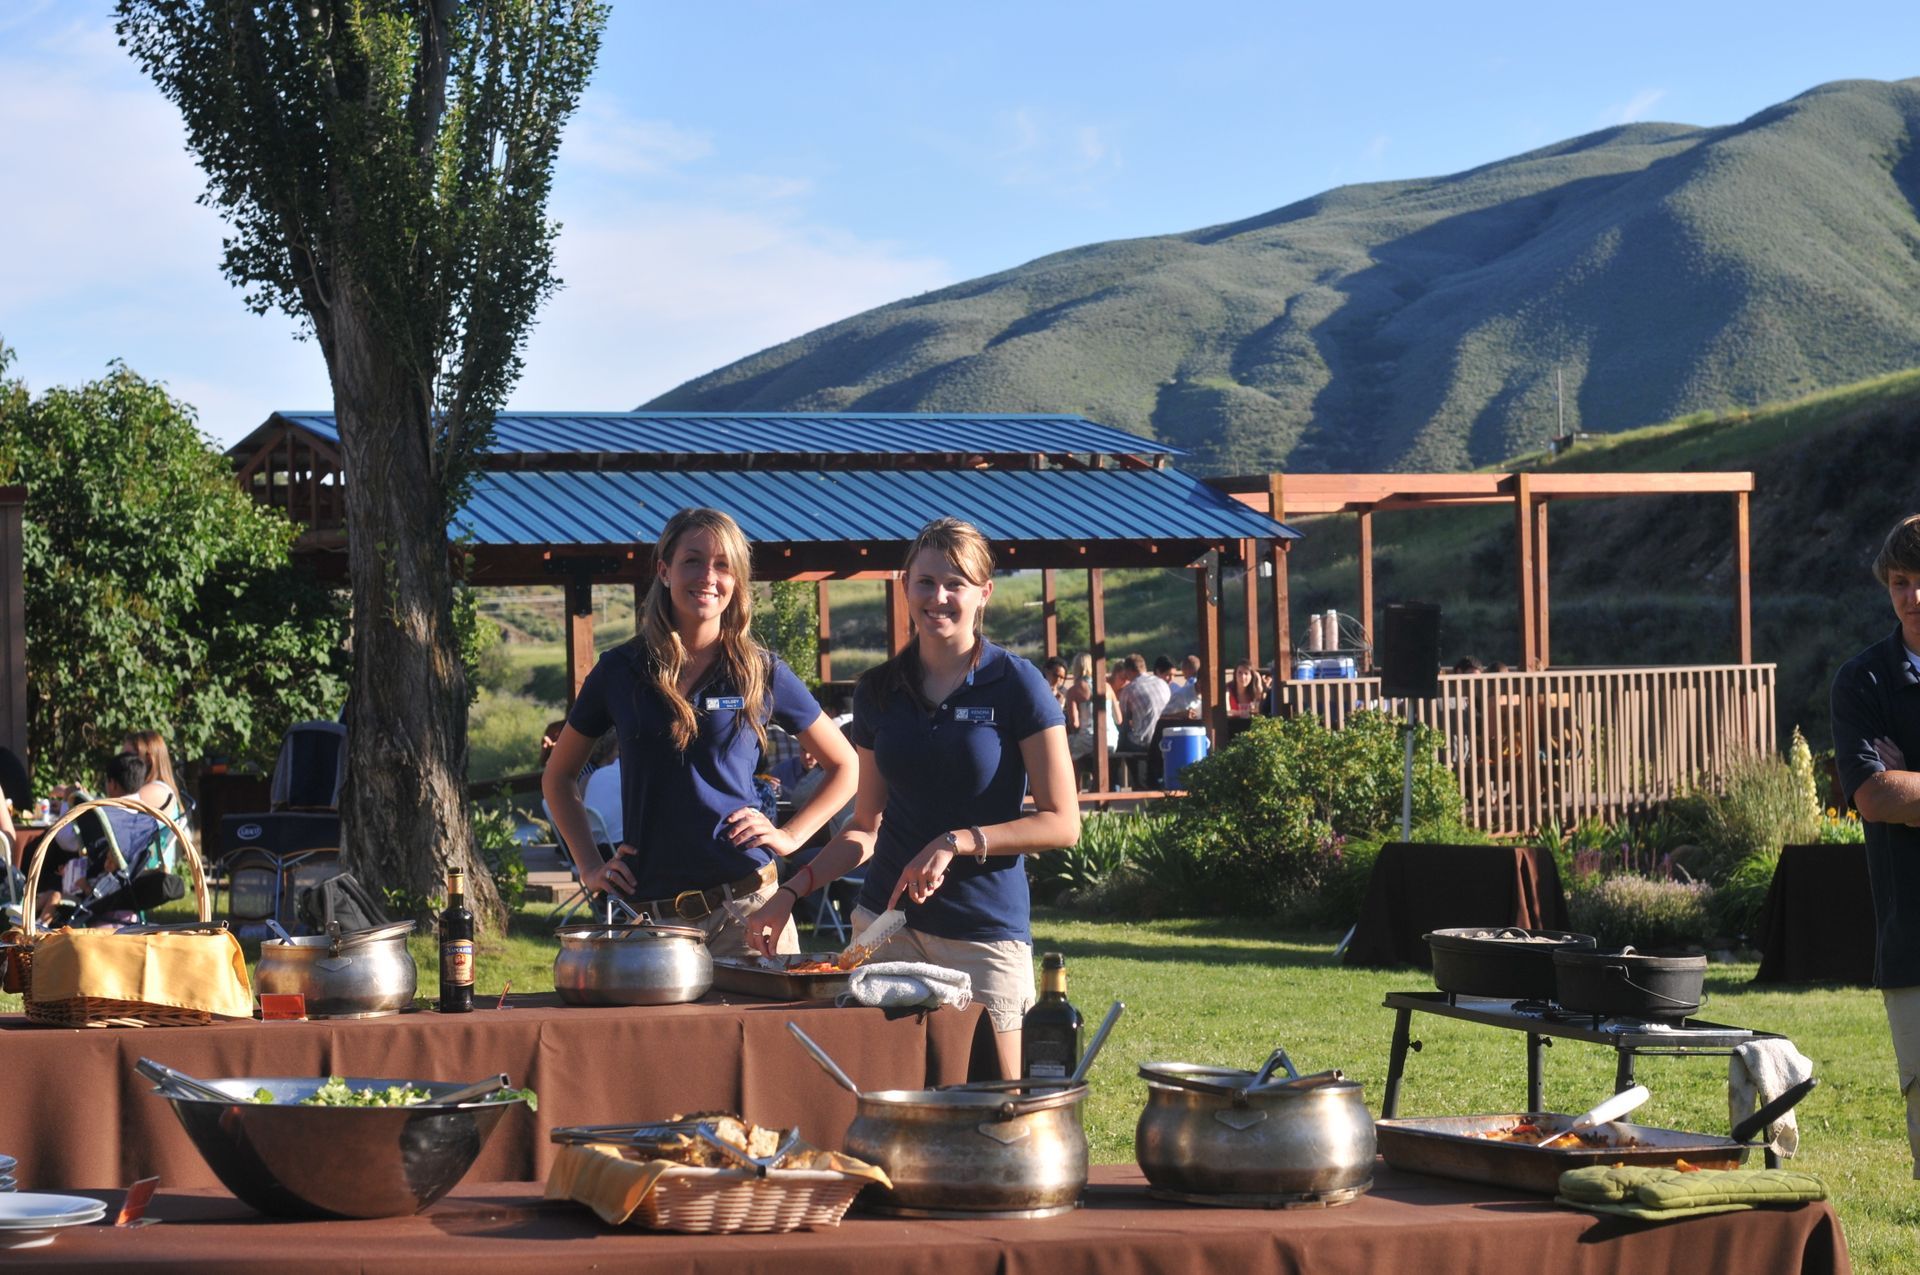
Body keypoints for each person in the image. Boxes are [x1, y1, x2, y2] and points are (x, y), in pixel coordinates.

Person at [745, 518, 1079, 1077]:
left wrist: (958, 841)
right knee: (884, 1106)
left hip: (983, 937)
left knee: (996, 1108)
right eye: (925, 582)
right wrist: (791, 891)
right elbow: (864, 828)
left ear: (983, 593)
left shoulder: (1018, 685)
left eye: (956, 583)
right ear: (905, 586)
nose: (939, 597)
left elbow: (1062, 823)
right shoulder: (879, 690)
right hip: (884, 930)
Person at [541, 507, 858, 955]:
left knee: (764, 1028)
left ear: (737, 582)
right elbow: (558, 776)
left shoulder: (761, 672)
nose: (708, 576)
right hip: (653, 919)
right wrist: (589, 866)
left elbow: (846, 765)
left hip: (749, 909)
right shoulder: (620, 670)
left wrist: (790, 837)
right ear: (664, 570)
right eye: (693, 560)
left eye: (723, 565)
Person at [1832, 513, 1920, 1177]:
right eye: (1900, 581)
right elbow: (1873, 796)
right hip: (1912, 937)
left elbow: (1898, 790)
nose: (1913, 597)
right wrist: (1889, 787)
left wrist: (1906, 777)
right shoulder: (1862, 682)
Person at [37, 752, 161, 927]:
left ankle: (34, 924)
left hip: (95, 890)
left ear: (112, 784)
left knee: (52, 888)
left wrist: (67, 800)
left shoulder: (103, 815)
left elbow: (64, 839)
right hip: (128, 887)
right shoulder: (146, 819)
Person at [121, 730, 185, 869]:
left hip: (147, 874)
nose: (122, 763)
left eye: (128, 756)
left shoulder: (157, 790)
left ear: (148, 760)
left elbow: (116, 811)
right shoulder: (156, 789)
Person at [1065, 652, 1119, 779]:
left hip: (1088, 739)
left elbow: (1074, 724)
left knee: (1065, 746)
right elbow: (1119, 719)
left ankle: (1075, 787)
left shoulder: (1074, 690)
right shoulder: (1107, 687)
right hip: (1111, 739)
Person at [1118, 653, 1169, 750]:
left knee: (1120, 738)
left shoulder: (1129, 689)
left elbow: (1122, 720)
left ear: (1128, 670)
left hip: (1143, 742)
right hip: (1163, 738)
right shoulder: (1162, 683)